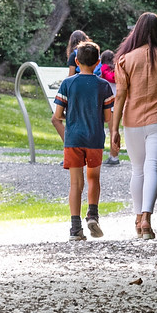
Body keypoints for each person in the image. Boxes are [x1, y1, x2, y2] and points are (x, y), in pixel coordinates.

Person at [109, 12, 157, 239]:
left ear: (137, 31)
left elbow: (120, 97)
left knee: (138, 170)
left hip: (132, 121)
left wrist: (114, 129)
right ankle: (146, 218)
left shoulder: (125, 59)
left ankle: (137, 218)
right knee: (152, 168)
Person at [51, 40, 115, 240]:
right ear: (98, 63)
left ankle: (75, 228)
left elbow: (58, 115)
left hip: (74, 139)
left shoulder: (67, 84)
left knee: (75, 184)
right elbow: (107, 117)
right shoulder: (103, 86)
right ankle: (93, 215)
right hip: (94, 138)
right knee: (93, 178)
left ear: (76, 61)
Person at [96, 49, 121, 166]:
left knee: (112, 130)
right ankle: (114, 154)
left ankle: (114, 157)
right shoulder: (117, 69)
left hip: (110, 104)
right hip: (118, 103)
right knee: (115, 130)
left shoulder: (103, 69)